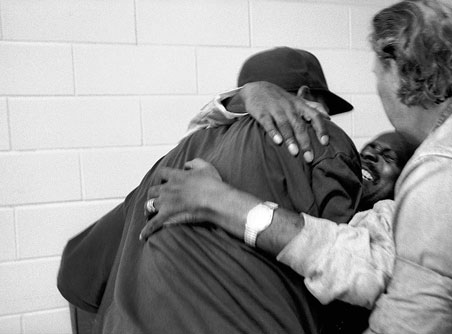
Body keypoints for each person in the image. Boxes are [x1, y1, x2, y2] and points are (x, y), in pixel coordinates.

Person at [144, 1, 452, 333]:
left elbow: (408, 311)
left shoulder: (450, 164)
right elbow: (373, 255)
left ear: (399, 68)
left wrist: (225, 203)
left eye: (376, 74)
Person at [58, 46, 366, 334]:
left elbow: (74, 273)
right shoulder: (317, 138)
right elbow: (348, 283)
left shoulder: (167, 166)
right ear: (305, 96)